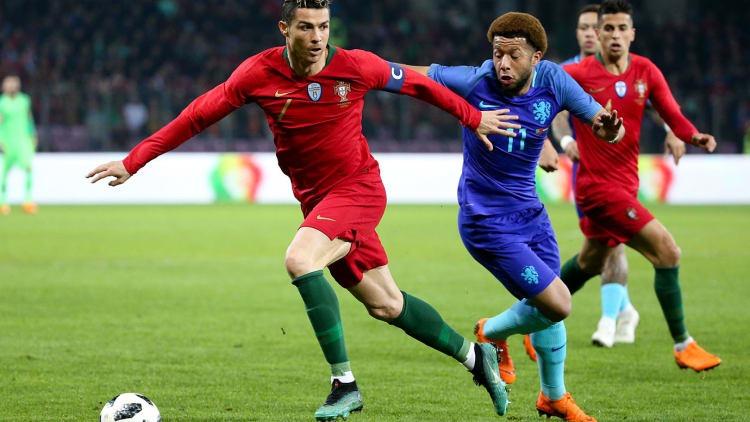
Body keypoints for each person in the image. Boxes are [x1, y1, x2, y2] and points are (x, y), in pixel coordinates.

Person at [87, 1, 517, 420]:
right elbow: (197, 116)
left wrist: (472, 117)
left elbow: (420, 86)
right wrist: (134, 161)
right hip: (317, 201)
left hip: (358, 189)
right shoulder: (258, 73)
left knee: (300, 259)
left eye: (323, 27)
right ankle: (475, 357)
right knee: (387, 304)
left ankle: (344, 385)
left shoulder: (356, 66)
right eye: (306, 27)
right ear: (285, 29)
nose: (317, 37)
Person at [408, 12, 624, 421]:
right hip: (486, 222)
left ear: (536, 57)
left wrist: (611, 129)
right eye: (497, 54)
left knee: (547, 305)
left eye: (513, 55)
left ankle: (552, 396)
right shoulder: (475, 81)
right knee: (558, 303)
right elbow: (412, 76)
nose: (502, 64)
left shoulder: (554, 80)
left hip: (531, 215)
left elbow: (604, 125)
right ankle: (490, 331)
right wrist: (357, 66)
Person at [555, 0, 721, 372]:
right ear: (597, 34)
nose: (615, 35)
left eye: (621, 28)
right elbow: (547, 106)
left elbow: (671, 112)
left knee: (589, 262)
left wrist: (691, 135)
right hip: (598, 189)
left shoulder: (645, 70)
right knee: (668, 252)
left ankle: (530, 318)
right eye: (608, 28)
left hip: (625, 184)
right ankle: (683, 344)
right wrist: (555, 145)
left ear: (632, 33)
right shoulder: (577, 74)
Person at [0, 75, 38, 215]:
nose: (12, 86)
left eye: (14, 84)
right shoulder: (2, 102)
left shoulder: (24, 100)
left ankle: (28, 201)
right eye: (9, 84)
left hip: (23, 141)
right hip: (8, 141)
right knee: (4, 172)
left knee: (28, 169)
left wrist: (33, 134)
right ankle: (3, 202)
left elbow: (29, 118)